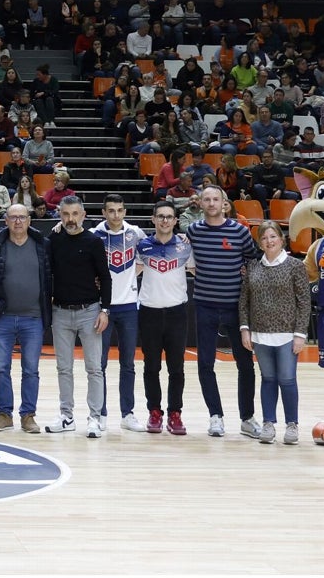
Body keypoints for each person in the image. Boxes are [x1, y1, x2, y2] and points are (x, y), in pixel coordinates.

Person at [185, 185, 261, 438]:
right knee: (205, 363)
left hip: (235, 307)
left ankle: (247, 418)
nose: (211, 203)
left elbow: (253, 260)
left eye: (216, 199)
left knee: (245, 364)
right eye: (206, 199)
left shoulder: (240, 231)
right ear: (200, 203)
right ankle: (215, 416)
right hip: (205, 305)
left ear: (224, 203)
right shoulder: (193, 231)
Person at [45, 196, 111, 438]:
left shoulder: (93, 242)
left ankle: (95, 418)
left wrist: (105, 310)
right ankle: (67, 416)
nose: (70, 219)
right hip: (60, 312)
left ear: (83, 215)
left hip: (90, 312)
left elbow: (105, 277)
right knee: (64, 368)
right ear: (60, 215)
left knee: (94, 369)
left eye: (75, 214)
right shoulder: (53, 240)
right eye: (65, 214)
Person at [239, 221, 311, 445]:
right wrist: (245, 329)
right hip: (260, 335)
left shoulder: (294, 266)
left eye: (273, 237)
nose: (269, 241)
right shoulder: (252, 267)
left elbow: (304, 302)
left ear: (281, 239)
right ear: (259, 243)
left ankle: (292, 425)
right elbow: (244, 301)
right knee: (268, 379)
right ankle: (268, 423)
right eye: (264, 238)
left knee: (287, 380)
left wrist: (300, 333)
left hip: (288, 335)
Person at [0, 203, 50, 434]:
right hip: (2, 317)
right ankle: (4, 414)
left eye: (22, 217)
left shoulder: (42, 244)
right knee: (1, 368)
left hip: (33, 318)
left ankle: (28, 415)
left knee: (31, 369)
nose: (18, 221)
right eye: (13, 217)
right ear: (6, 220)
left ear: (29, 220)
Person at [89, 194, 149, 432]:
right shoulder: (95, 235)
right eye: (111, 210)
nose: (115, 215)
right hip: (101, 308)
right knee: (99, 363)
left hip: (128, 307)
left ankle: (128, 413)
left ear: (125, 212)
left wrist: (127, 281)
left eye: (120, 210)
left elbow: (144, 259)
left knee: (128, 363)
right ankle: (100, 413)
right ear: (104, 212)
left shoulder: (136, 233)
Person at [136, 200, 195, 435]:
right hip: (149, 311)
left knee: (176, 368)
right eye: (160, 216)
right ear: (153, 219)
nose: (164, 220)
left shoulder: (185, 247)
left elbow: (197, 270)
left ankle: (175, 413)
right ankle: (154, 412)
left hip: (176, 313)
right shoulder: (143, 245)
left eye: (169, 217)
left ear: (175, 221)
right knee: (151, 366)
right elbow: (132, 270)